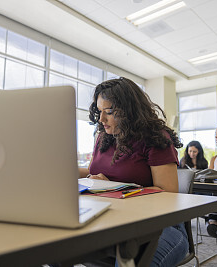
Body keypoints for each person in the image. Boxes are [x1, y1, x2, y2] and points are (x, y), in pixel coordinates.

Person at [79, 77, 187, 267]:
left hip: (161, 224)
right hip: (111, 218)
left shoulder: (155, 138)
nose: (102, 119)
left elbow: (169, 193)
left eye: (109, 112)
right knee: (52, 249)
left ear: (129, 111)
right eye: (99, 111)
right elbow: (93, 172)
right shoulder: (104, 137)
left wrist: (112, 188)